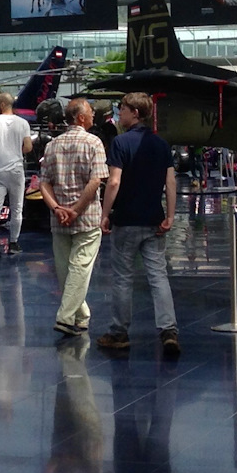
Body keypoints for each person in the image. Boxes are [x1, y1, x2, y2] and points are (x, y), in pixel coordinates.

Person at [96, 92, 180, 359]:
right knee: (158, 276)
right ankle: (168, 330)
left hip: (127, 220)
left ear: (136, 113)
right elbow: (170, 183)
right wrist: (171, 215)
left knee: (123, 277)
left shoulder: (120, 143)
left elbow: (113, 182)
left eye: (122, 109)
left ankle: (119, 333)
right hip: (154, 220)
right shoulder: (161, 144)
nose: (119, 114)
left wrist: (104, 213)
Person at [41, 98, 109, 337]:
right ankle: (66, 317)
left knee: (65, 271)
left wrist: (57, 208)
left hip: (59, 220)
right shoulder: (94, 143)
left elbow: (44, 182)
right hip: (87, 219)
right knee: (79, 269)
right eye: (90, 112)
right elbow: (96, 180)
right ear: (80, 117)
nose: (93, 116)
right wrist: (77, 209)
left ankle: (81, 317)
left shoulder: (52, 145)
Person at [0, 92, 32, 259]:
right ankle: (13, 243)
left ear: (2, 104)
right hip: (16, 170)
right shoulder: (23, 123)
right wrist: (17, 152)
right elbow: (28, 147)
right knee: (17, 207)